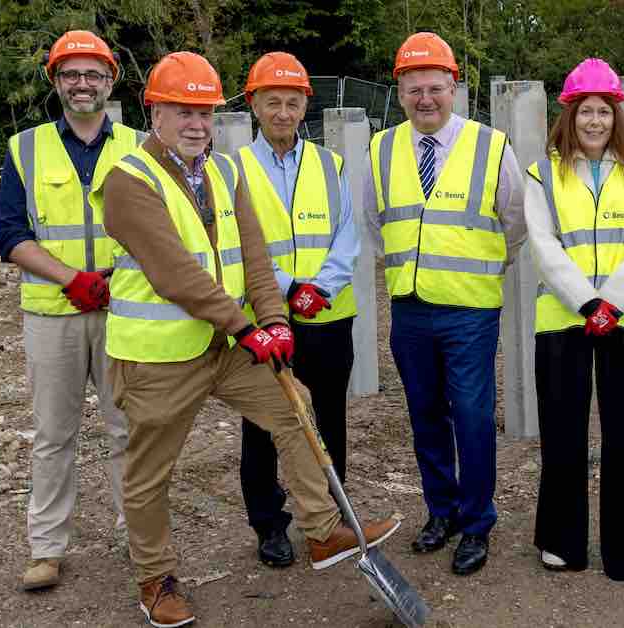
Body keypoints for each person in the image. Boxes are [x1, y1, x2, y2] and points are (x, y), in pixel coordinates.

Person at [96, 51, 398, 627]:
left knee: (294, 406)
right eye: (182, 111)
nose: (196, 123)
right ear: (153, 113)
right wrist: (246, 327)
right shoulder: (127, 181)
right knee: (150, 470)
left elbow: (254, 259)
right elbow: (173, 272)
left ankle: (319, 530)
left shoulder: (224, 172)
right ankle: (155, 579)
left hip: (226, 347)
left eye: (205, 112)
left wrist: (275, 320)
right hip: (159, 356)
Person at [360, 32, 526, 576]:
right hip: (409, 307)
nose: (425, 99)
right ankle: (442, 511)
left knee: (474, 417)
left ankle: (477, 522)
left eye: (435, 88)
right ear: (400, 91)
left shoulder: (490, 145)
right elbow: (375, 223)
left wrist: (475, 267)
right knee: (425, 416)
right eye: (414, 90)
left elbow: (515, 222)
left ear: (454, 88)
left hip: (470, 312)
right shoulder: (381, 148)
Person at [0, 30, 145, 591]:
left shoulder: (139, 145)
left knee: (127, 429)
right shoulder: (25, 148)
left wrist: (115, 280)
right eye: (71, 74)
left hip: (125, 309)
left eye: (93, 74)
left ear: (111, 81)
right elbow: (10, 234)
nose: (83, 84)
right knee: (53, 436)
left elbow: (163, 229)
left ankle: (140, 537)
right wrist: (71, 280)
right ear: (56, 82)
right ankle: (47, 548)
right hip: (51, 313)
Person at [524, 59, 624, 581]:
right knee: (562, 433)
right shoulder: (543, 174)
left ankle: (622, 550)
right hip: (564, 319)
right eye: (585, 111)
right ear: (569, 115)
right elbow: (543, 244)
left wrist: (615, 303)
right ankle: (563, 542)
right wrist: (588, 303)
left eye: (603, 112)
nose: (594, 122)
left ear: (616, 117)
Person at [232, 52, 359, 569]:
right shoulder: (232, 168)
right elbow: (236, 244)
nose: (283, 113)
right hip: (268, 318)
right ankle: (270, 525)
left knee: (328, 419)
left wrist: (319, 288)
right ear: (254, 106)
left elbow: (347, 236)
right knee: (264, 426)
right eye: (272, 103)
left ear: (305, 105)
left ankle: (330, 518)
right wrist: (288, 289)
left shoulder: (330, 164)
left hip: (327, 317)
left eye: (292, 102)